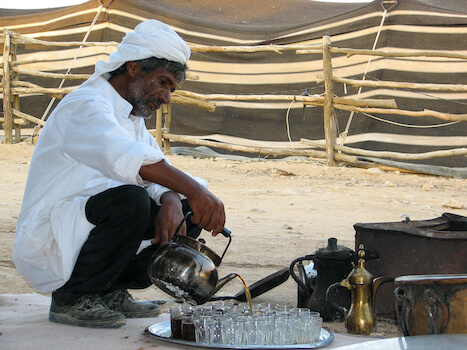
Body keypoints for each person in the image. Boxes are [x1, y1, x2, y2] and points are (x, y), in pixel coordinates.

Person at [12, 19, 226, 329]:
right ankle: (73, 297)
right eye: (163, 82)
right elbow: (125, 159)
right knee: (133, 201)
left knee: (186, 210)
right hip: (53, 238)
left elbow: (153, 166)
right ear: (134, 68)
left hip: (91, 228)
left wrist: (172, 198)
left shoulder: (131, 117)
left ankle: (108, 291)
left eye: (171, 89)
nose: (166, 97)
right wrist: (192, 189)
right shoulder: (86, 105)